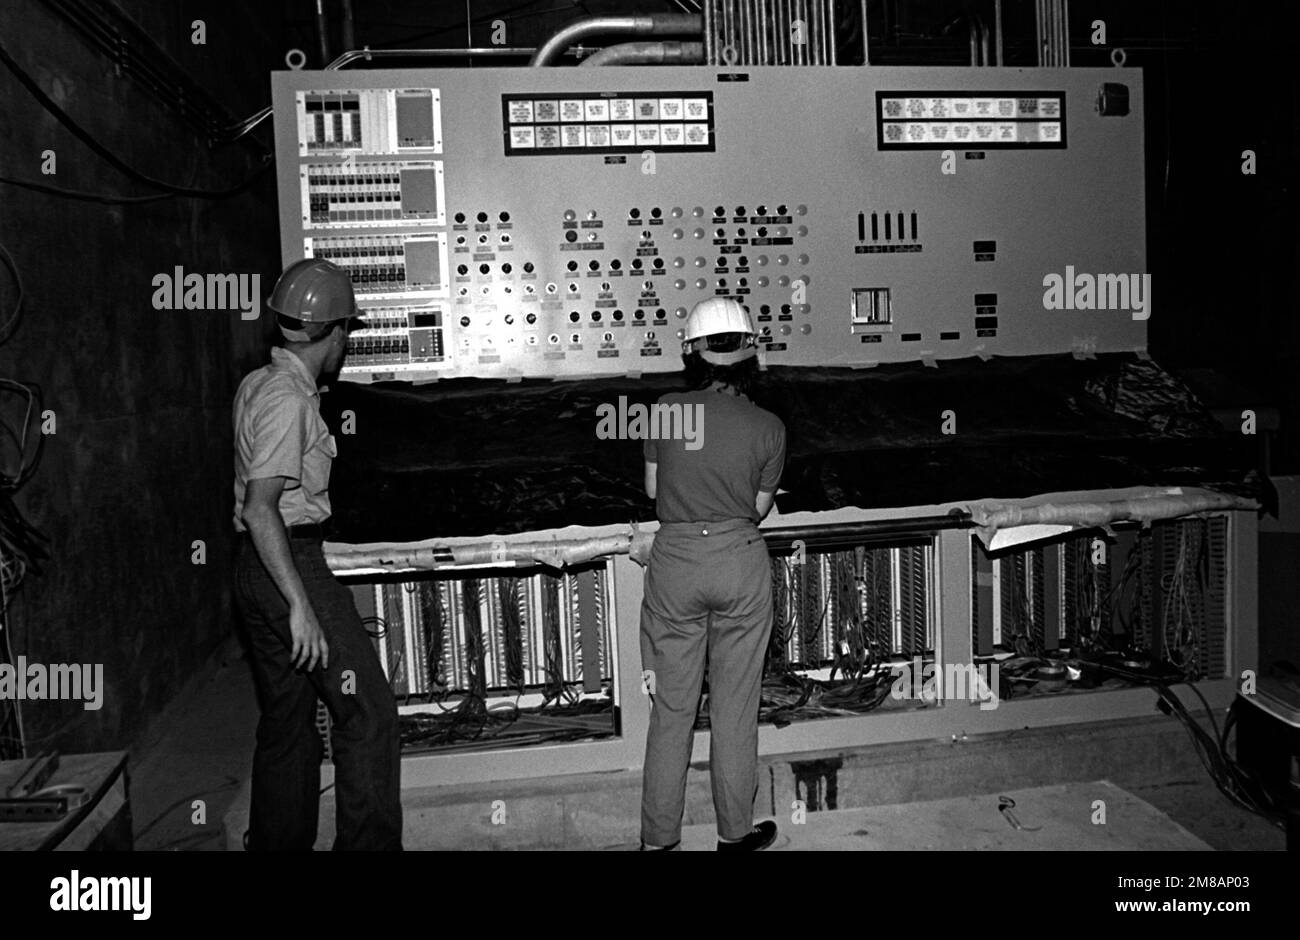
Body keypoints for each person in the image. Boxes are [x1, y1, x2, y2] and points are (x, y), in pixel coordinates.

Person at [232, 258, 402, 851]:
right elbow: (261, 508)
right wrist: (300, 606)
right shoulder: (289, 401)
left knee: (288, 723)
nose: (347, 343)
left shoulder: (260, 383)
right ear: (329, 333)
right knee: (370, 715)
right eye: (346, 331)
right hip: (287, 565)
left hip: (254, 569)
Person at [637, 297, 786, 851]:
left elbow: (654, 492)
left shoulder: (664, 412)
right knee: (735, 708)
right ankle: (733, 836)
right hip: (738, 561)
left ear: (692, 352)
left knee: (673, 712)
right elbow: (759, 506)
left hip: (675, 562)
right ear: (751, 353)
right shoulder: (768, 426)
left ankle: (658, 843)